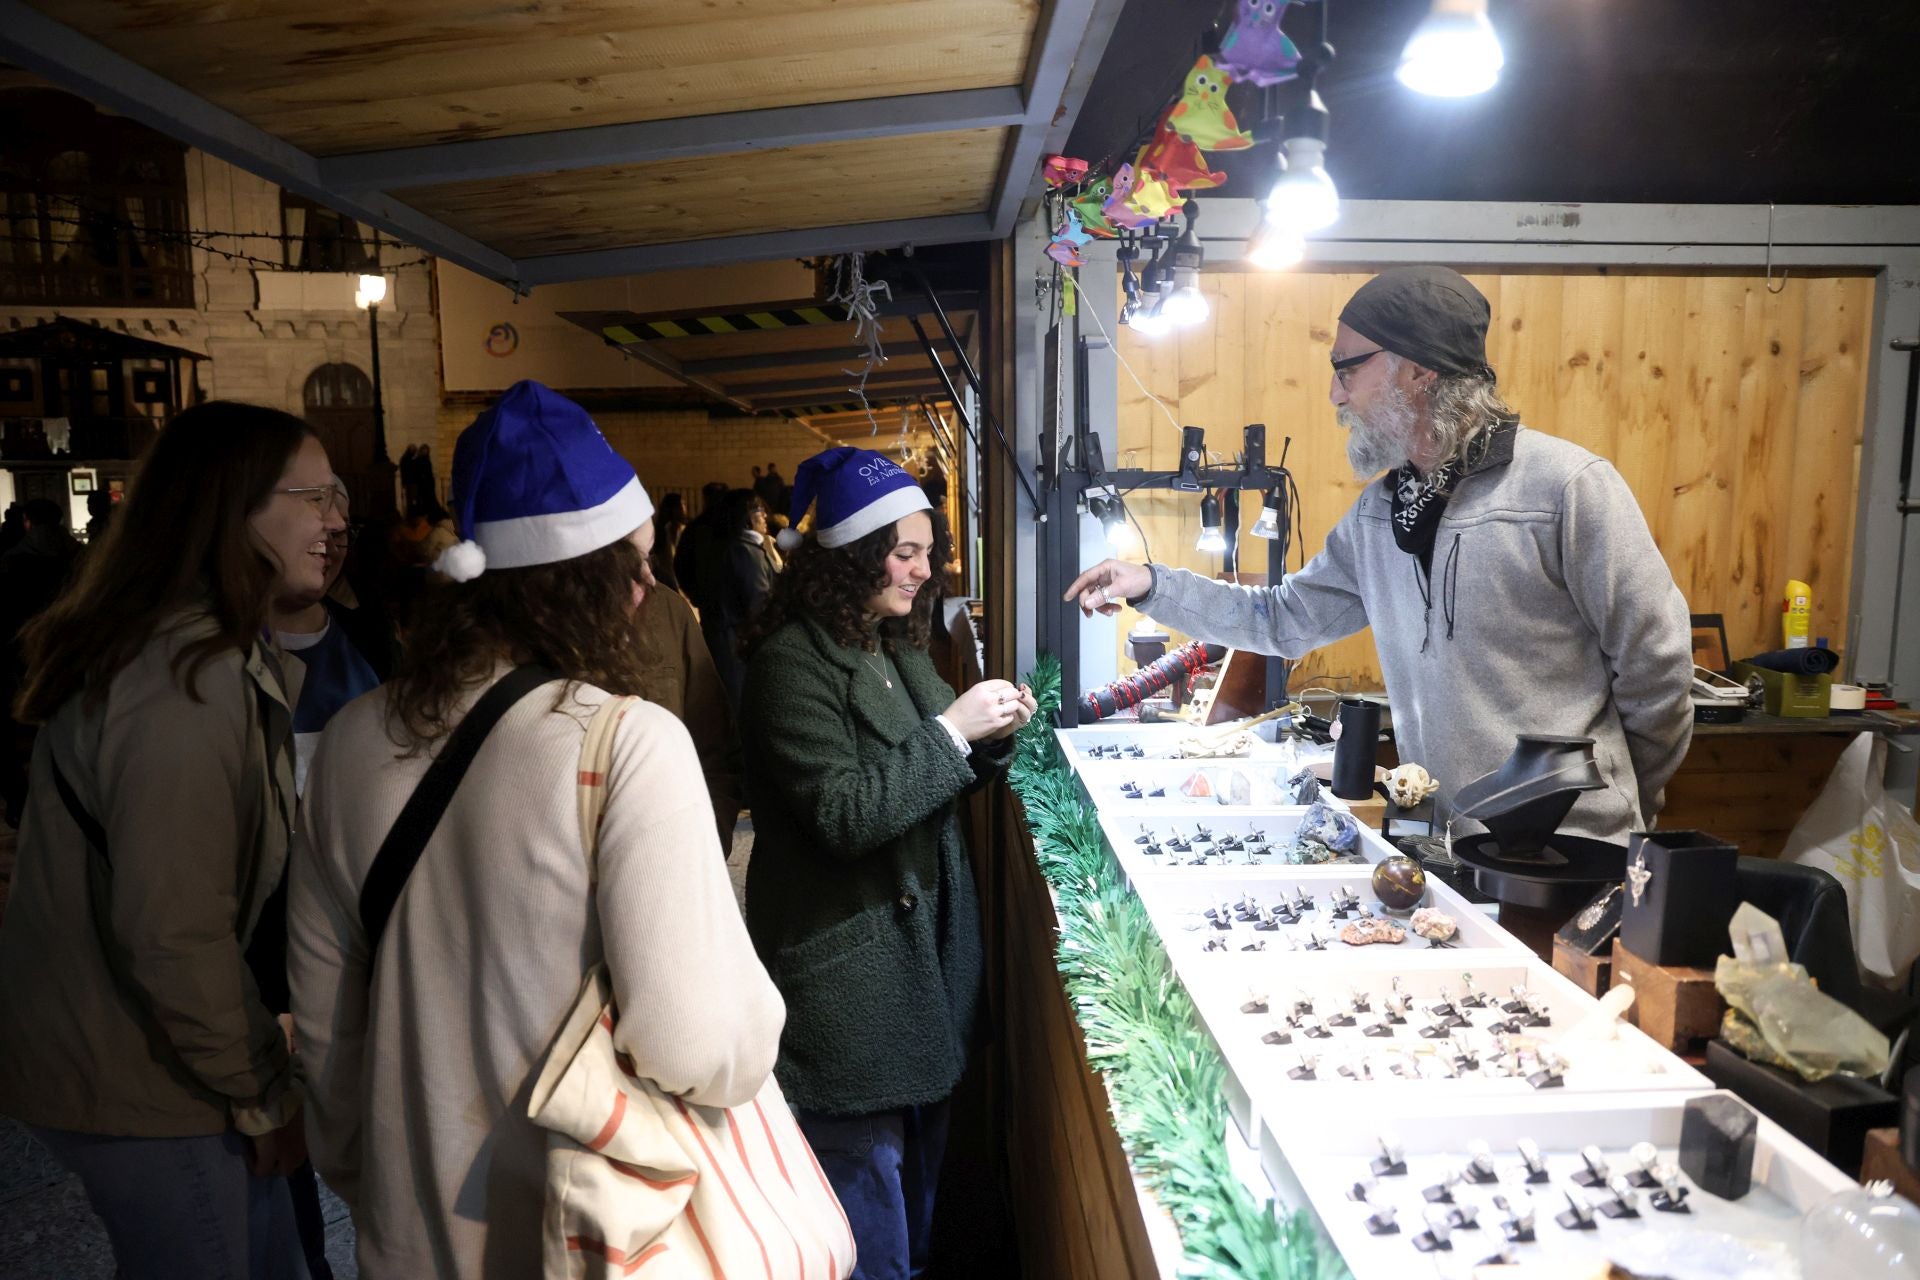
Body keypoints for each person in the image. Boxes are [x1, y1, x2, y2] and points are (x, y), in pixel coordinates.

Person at [289, 380, 782, 1278]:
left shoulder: (352, 739)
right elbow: (696, 1043)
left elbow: (326, 1033)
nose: (648, 585)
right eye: (634, 562)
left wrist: (376, 1184)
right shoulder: (627, 742)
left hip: (412, 1231)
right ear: (579, 581)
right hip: (589, 1233)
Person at [1067, 266, 1693, 846]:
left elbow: (1656, 671)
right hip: (1453, 848)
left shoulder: (1565, 489)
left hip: (1577, 856)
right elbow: (1282, 621)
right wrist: (1150, 584)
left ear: (1419, 371)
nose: (1336, 395)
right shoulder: (1380, 513)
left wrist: (1617, 802)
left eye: (1347, 368)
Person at [0, 401, 342, 1278]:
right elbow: (173, 929)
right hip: (144, 1080)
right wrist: (261, 1094)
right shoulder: (183, 679)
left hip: (155, 1063)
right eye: (314, 496)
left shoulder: (195, 653)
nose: (337, 519)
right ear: (231, 511)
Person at [740, 446, 1035, 1279]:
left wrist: (994, 736)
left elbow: (937, 774)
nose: (922, 567)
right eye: (902, 552)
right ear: (851, 557)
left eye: (925, 548)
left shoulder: (893, 642)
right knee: (866, 1229)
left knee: (916, 1209)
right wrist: (954, 732)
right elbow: (844, 812)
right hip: (849, 984)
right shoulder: (789, 665)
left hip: (920, 973)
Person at [632, 577, 743, 848]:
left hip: (671, 853)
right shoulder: (532, 621)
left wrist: (711, 837)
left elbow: (713, 743)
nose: (648, 575)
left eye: (646, 556)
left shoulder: (667, 608)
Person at [0, 498, 82, 825]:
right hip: (71, 650)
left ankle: (26, 802)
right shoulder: (80, 556)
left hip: (23, 648)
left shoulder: (14, 561)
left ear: (28, 522)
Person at [698, 489, 782, 710]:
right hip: (736, 640)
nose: (764, 515)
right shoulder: (745, 551)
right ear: (743, 516)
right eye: (758, 510)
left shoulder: (733, 546)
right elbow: (759, 602)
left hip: (729, 636)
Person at [649, 489, 687, 592]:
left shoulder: (659, 529)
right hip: (675, 575)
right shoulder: (674, 528)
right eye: (682, 503)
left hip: (667, 576)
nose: (685, 507)